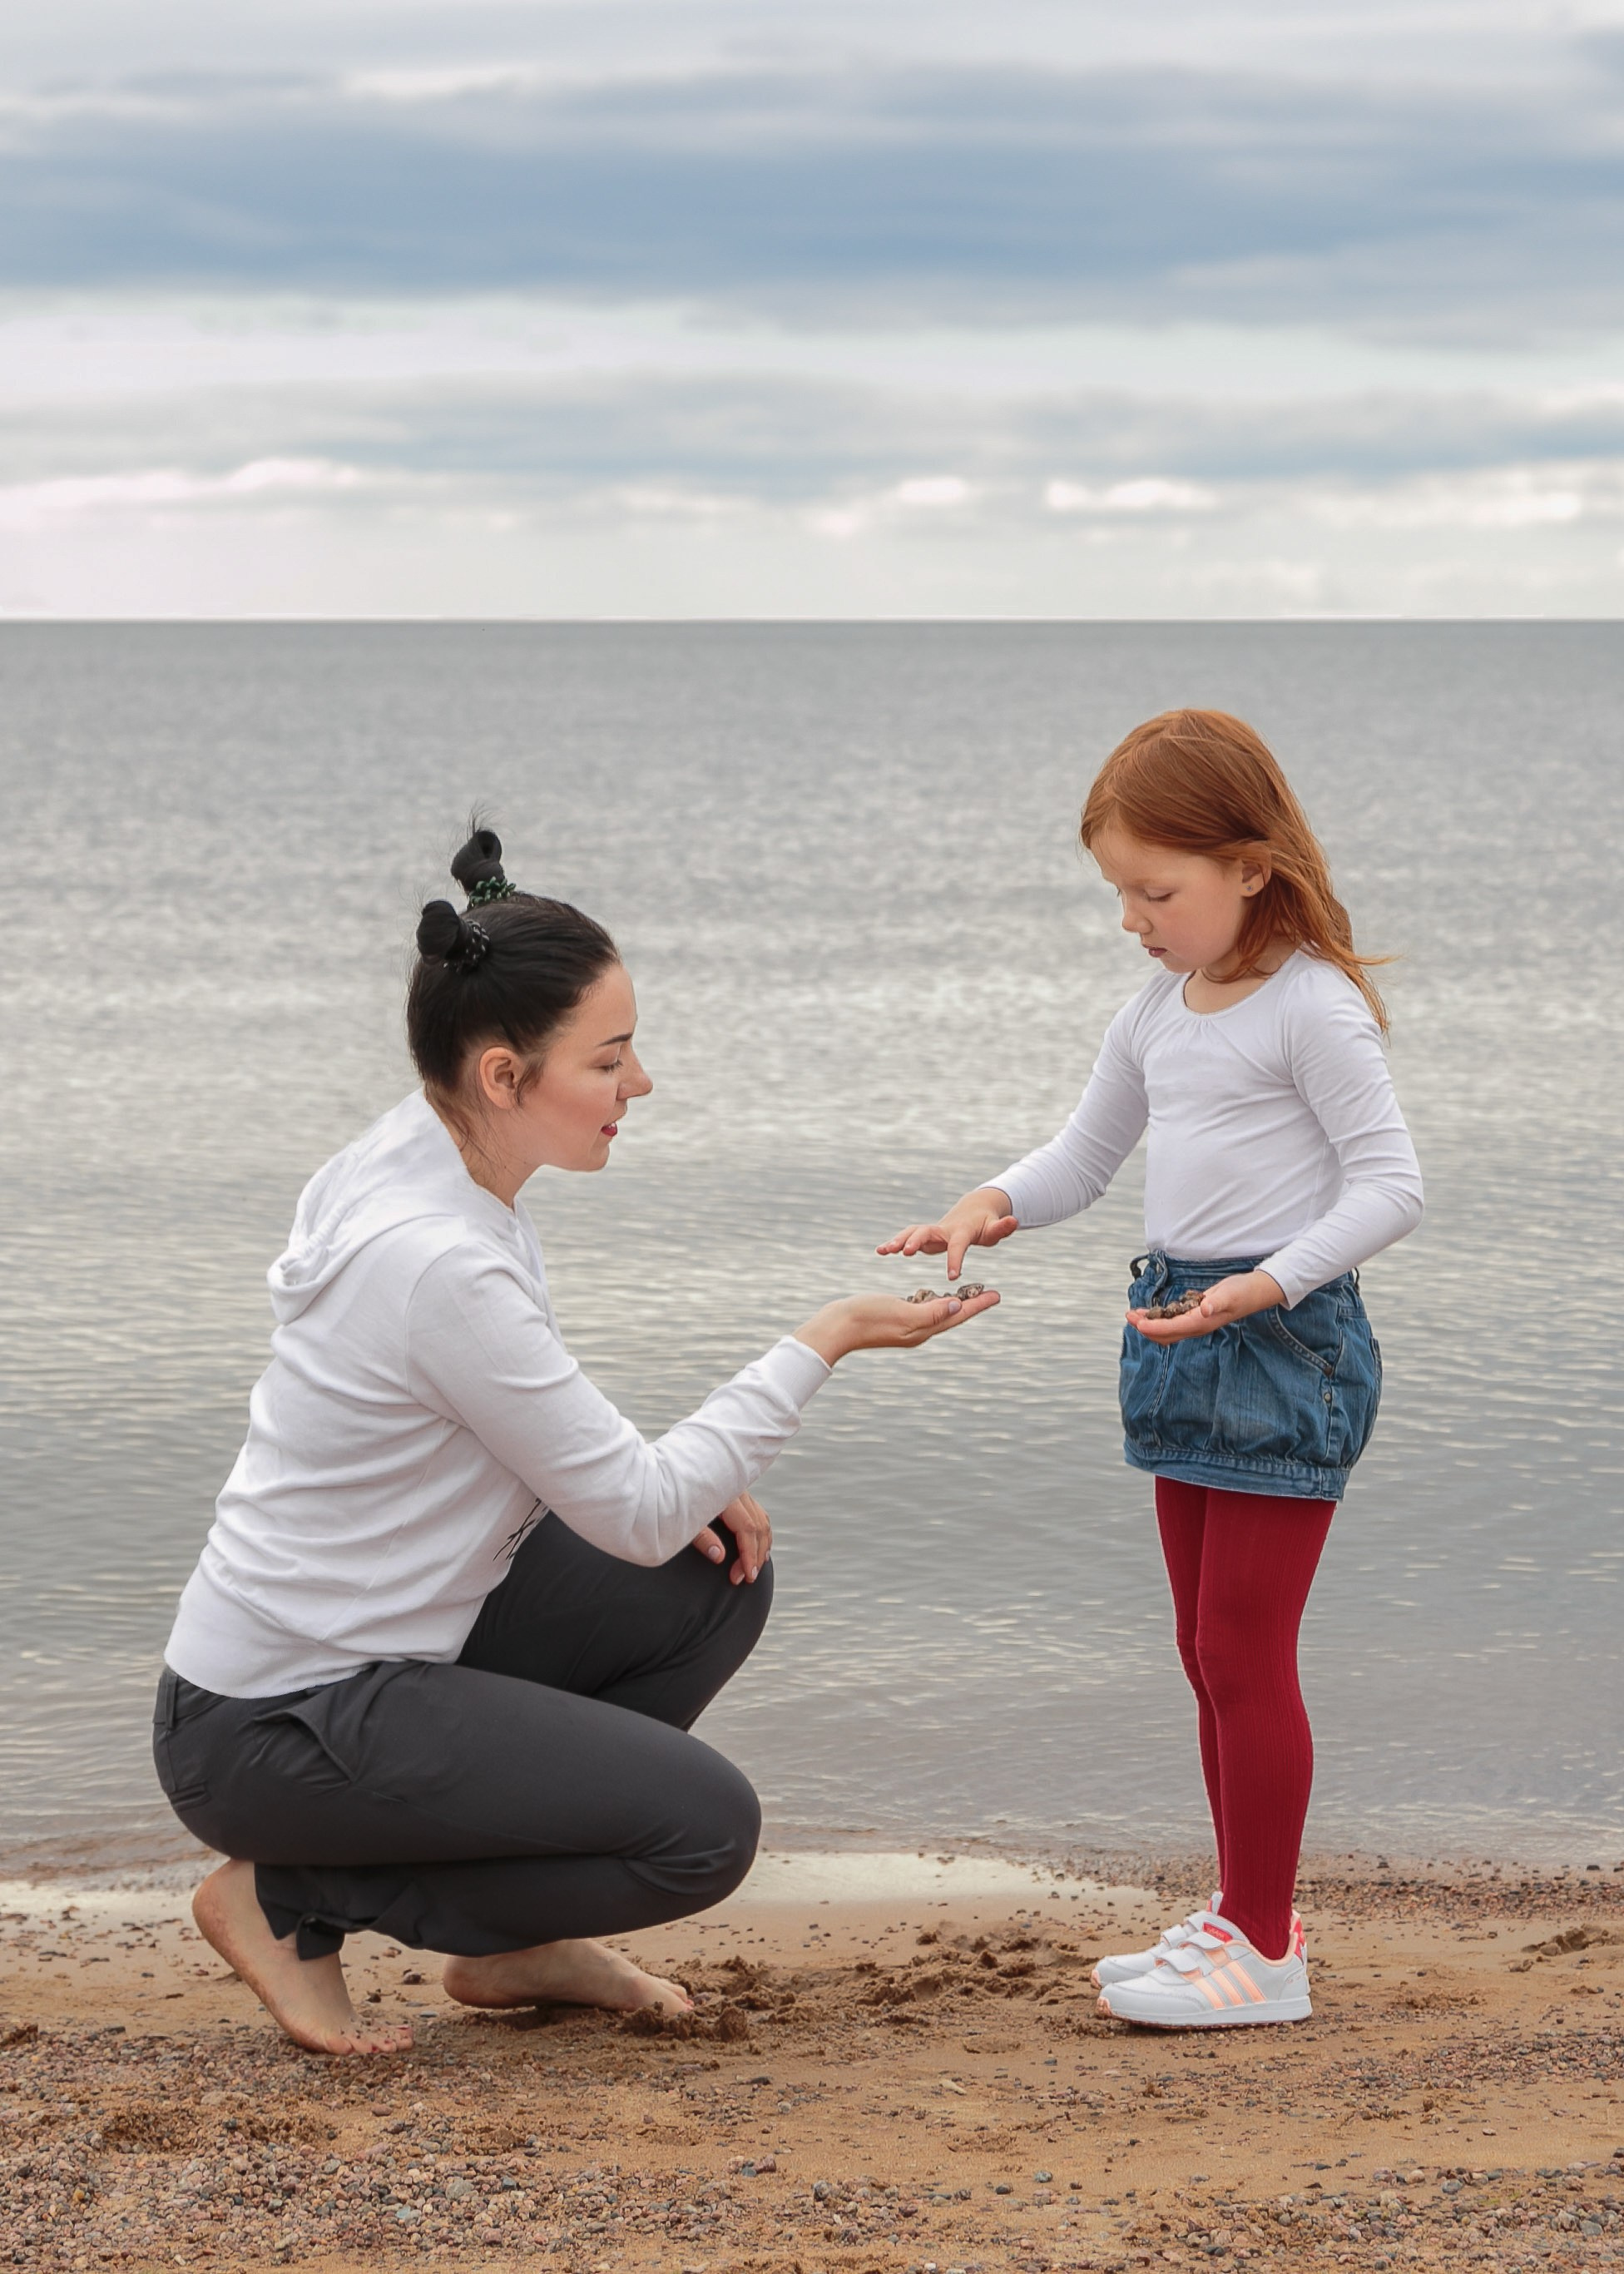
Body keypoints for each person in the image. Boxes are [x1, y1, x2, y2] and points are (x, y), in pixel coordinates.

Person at [155, 827, 998, 2058]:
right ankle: (289, 1899)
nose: (639, 1082)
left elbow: (520, 1431)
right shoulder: (433, 1253)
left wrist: (684, 1482)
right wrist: (827, 1338)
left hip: (367, 1653)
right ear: (502, 1075)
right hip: (273, 1723)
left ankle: (506, 1938)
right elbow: (633, 1496)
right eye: (610, 1059)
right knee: (704, 1828)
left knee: (706, 1577)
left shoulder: (432, 1146)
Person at [880, 711, 1422, 2029]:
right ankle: (1249, 1912)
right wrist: (985, 1202)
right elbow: (1084, 1159)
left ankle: (1263, 1954)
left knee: (1247, 1649)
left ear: (1251, 864)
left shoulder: (1314, 1007)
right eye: (1120, 889)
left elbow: (1393, 1185)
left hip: (1284, 1341)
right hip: (1178, 1332)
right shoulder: (1156, 1013)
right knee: (1202, 1646)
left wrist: (1266, 1280)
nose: (1133, 916)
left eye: (1155, 889)